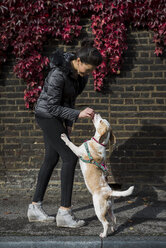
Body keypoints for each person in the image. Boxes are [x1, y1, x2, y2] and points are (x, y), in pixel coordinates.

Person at [27, 39, 102, 228]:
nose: (90, 73)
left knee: (52, 158)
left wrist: (69, 124)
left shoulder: (80, 77)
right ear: (78, 60)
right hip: (46, 115)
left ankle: (35, 208)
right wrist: (78, 115)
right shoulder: (58, 74)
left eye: (93, 70)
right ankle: (65, 213)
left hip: (57, 116)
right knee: (70, 157)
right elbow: (52, 106)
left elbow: (69, 100)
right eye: (89, 68)